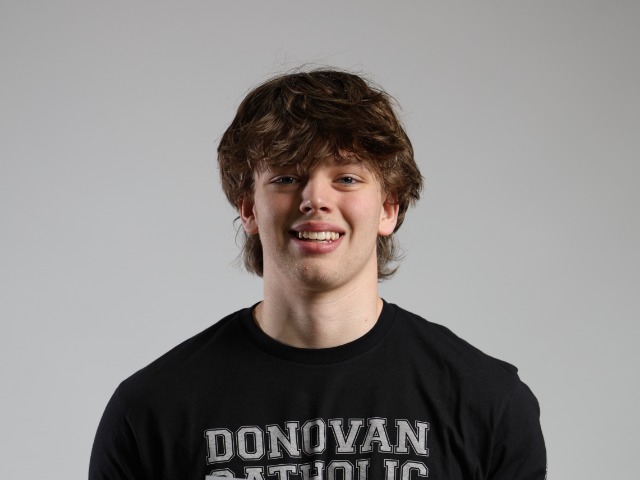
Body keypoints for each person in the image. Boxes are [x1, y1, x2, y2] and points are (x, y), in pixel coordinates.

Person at [89, 69, 546, 480]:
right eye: (286, 178)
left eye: (346, 178)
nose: (315, 200)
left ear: (388, 208)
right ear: (249, 208)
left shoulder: (487, 402)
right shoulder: (150, 411)